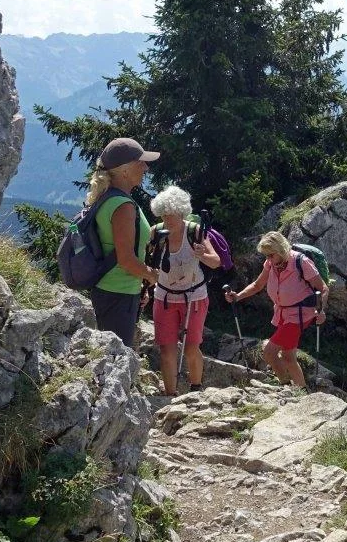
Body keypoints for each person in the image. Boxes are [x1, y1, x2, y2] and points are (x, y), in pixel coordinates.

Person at [225, 232, 328, 389]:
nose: (268, 259)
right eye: (266, 256)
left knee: (269, 352)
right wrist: (238, 296)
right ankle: (301, 389)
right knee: (288, 356)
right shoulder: (271, 264)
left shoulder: (301, 262)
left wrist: (321, 311)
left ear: (280, 250)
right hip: (282, 313)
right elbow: (257, 285)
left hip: (299, 315)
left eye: (270, 255)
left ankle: (286, 386)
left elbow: (323, 288)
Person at [88, 137, 161, 349]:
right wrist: (153, 275)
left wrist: (140, 286)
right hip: (118, 295)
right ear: (125, 170)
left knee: (111, 355)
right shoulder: (123, 206)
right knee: (114, 358)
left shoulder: (107, 197)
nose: (146, 167)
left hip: (113, 290)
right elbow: (126, 260)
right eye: (141, 162)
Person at [149, 186, 221, 395]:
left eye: (171, 215)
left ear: (181, 213)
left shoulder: (195, 232)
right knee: (166, 348)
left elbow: (216, 262)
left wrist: (201, 255)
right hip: (164, 297)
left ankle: (196, 389)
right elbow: (149, 263)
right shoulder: (155, 232)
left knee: (191, 347)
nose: (167, 219)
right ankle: (170, 395)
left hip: (194, 297)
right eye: (163, 214)